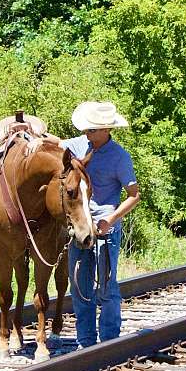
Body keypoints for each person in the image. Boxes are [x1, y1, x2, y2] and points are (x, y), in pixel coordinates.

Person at [42, 101, 140, 347]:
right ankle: (86, 342)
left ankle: (108, 341)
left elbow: (134, 195)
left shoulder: (120, 157)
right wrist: (32, 132)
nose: (88, 134)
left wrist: (112, 218)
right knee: (80, 288)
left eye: (93, 130)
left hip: (105, 230)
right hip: (80, 228)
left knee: (106, 289)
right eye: (87, 129)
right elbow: (55, 144)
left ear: (107, 130)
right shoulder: (77, 146)